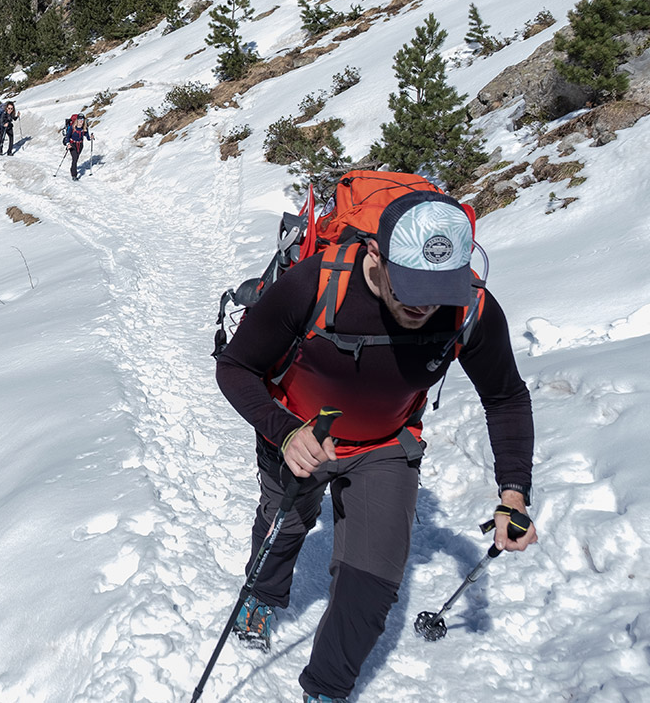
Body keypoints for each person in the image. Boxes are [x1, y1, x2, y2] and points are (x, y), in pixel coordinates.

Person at [214, 191, 536, 703]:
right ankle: (264, 592)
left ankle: (326, 689)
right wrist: (284, 429)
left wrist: (513, 492)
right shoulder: (313, 284)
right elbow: (235, 367)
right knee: (286, 520)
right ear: (375, 253)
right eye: (409, 284)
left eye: (438, 288)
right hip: (302, 431)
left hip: (387, 443)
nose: (423, 303)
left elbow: (506, 397)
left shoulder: (469, 306)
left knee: (372, 581)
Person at [63, 114, 93, 180]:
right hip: (72, 144)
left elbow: (87, 137)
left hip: (80, 145)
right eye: (79, 119)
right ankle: (74, 175)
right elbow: (68, 136)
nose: (81, 121)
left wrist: (90, 137)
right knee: (75, 158)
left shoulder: (84, 128)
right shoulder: (72, 127)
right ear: (77, 120)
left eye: (82, 119)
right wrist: (68, 144)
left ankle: (72, 169)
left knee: (76, 159)